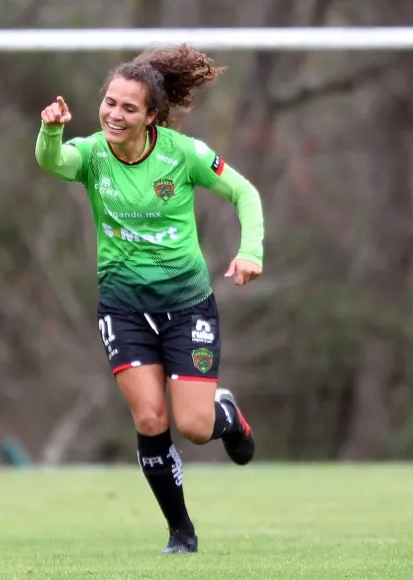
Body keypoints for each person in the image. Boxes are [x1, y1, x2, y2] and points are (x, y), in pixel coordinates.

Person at [34, 43, 265, 554]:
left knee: (194, 426)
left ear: (152, 116)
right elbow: (54, 161)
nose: (115, 114)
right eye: (110, 103)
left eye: (128, 108)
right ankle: (181, 533)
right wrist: (51, 128)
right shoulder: (93, 153)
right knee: (150, 419)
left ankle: (226, 414)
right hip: (122, 307)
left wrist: (251, 251)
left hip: (186, 307)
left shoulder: (184, 155)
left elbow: (245, 193)